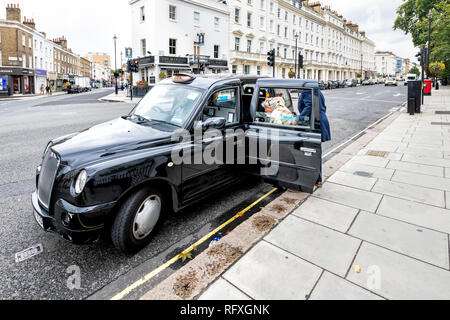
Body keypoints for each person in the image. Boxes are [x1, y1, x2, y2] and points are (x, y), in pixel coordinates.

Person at [297, 88, 331, 188]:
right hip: (318, 121)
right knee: (314, 152)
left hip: (315, 123)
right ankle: (317, 180)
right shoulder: (315, 90)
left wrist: (299, 121)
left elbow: (309, 107)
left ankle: (314, 179)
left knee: (311, 153)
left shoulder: (306, 91)